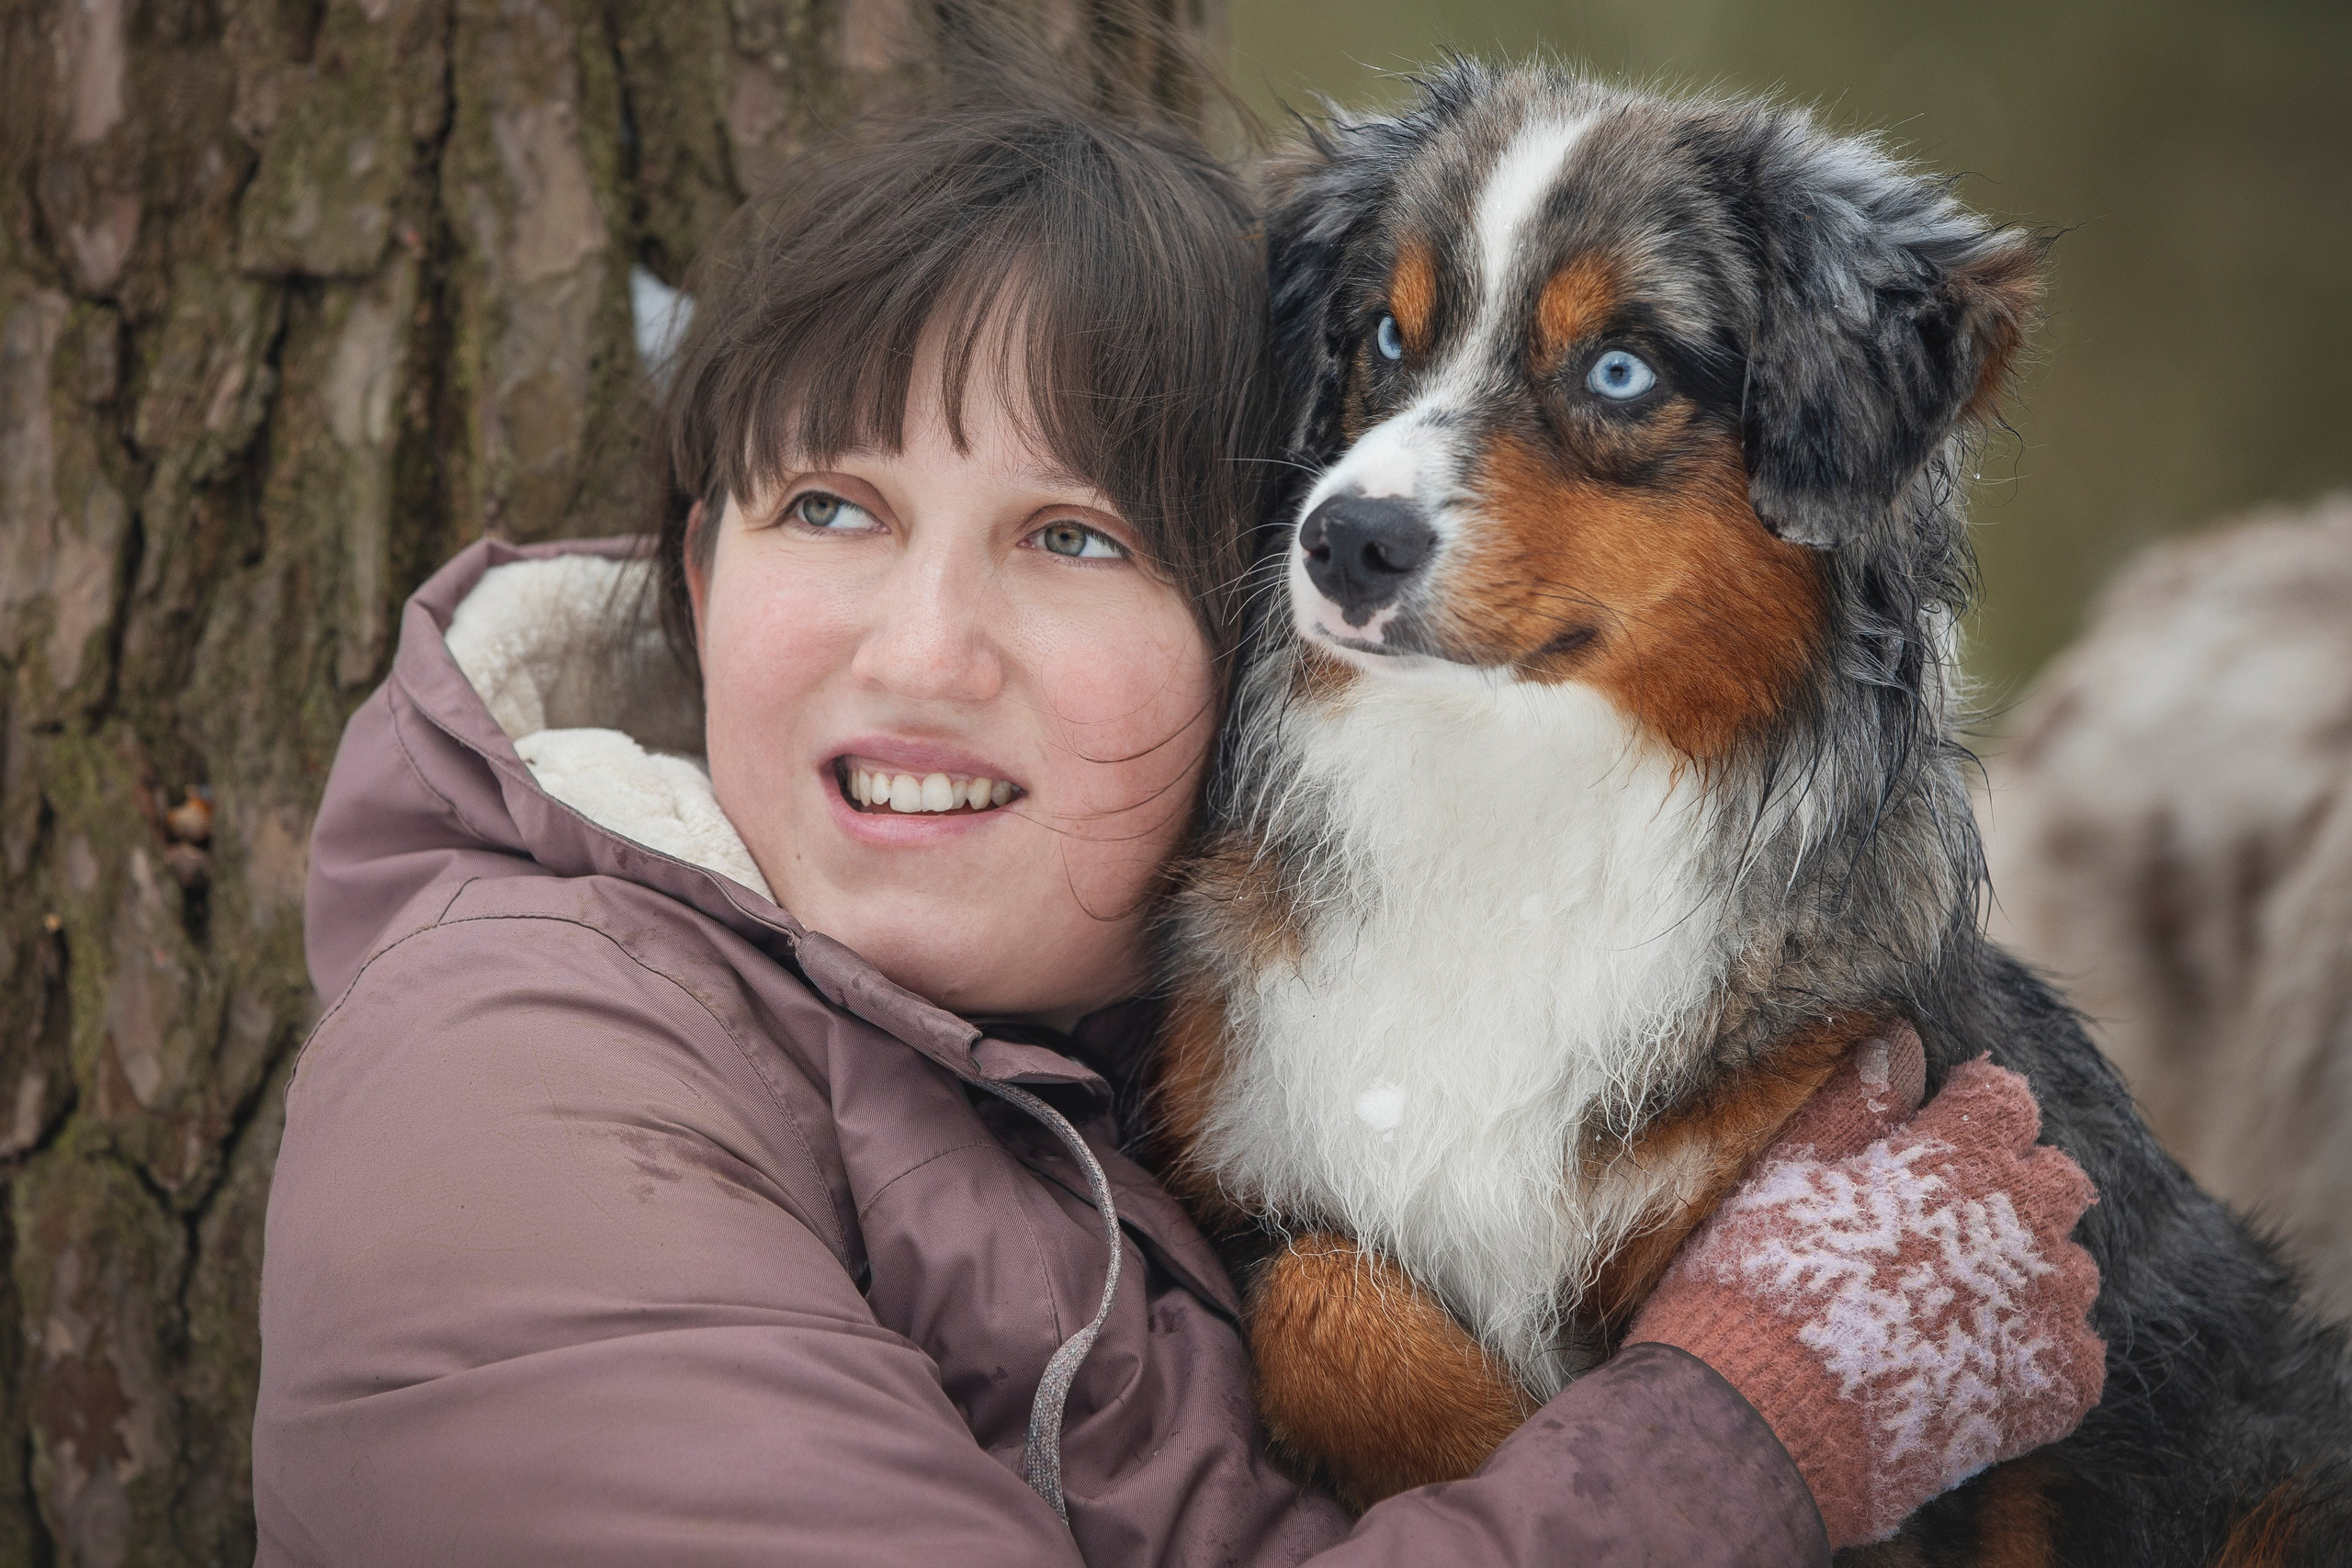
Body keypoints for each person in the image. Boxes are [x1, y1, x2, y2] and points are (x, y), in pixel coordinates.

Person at [252, 62, 2104, 1567]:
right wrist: (1738, 1425)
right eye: (830, 506)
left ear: (1215, 605)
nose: (925, 649)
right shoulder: (525, 1074)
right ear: (694, 563)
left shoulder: (1125, 1019)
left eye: (1068, 538)